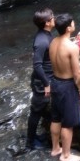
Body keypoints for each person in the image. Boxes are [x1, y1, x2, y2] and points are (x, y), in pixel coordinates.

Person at [49, 13, 80, 161]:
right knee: (68, 123)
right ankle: (66, 155)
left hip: (55, 82)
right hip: (67, 85)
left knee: (56, 117)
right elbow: (76, 73)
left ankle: (56, 148)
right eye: (73, 22)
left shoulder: (53, 42)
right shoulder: (72, 47)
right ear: (69, 28)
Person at [26, 8, 55, 150]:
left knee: (41, 109)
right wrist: (46, 84)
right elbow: (37, 65)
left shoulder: (46, 35)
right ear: (47, 23)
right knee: (36, 111)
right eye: (52, 17)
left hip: (45, 78)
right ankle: (30, 143)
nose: (54, 19)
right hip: (42, 81)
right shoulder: (42, 41)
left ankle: (39, 135)